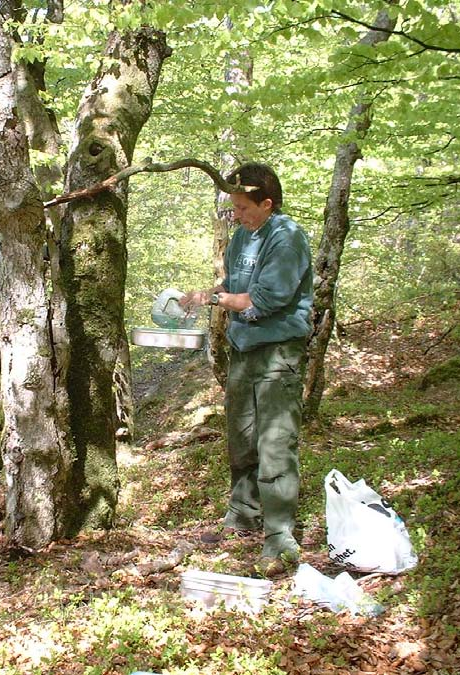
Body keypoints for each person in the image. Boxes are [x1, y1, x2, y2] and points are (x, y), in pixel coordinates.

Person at [180, 162, 313, 577]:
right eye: (233, 207)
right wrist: (203, 293)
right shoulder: (242, 237)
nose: (236, 215)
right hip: (243, 348)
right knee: (241, 434)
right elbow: (233, 286)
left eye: (242, 207)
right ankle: (242, 514)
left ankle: (279, 538)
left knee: (275, 443)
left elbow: (265, 299)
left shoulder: (287, 238)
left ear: (267, 203)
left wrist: (215, 302)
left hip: (278, 353)